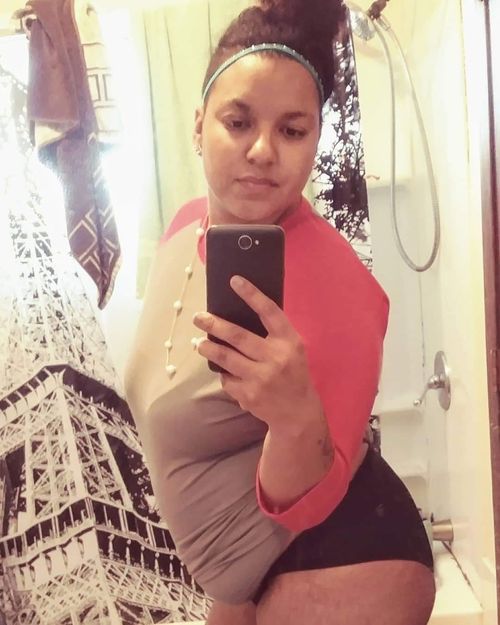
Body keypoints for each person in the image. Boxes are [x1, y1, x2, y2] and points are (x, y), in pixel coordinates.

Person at [124, 0, 436, 623]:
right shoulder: (184, 226)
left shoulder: (342, 286)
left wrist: (295, 420)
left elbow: (315, 499)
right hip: (242, 577)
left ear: (316, 140)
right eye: (238, 122)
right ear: (198, 125)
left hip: (346, 559)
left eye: (293, 131)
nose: (263, 150)